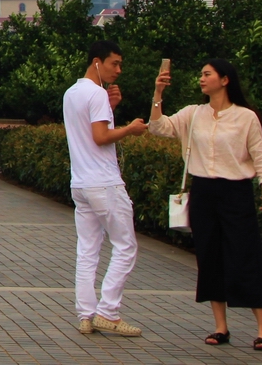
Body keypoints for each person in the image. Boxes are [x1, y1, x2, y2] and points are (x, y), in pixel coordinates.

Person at [149, 59, 262, 350]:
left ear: (225, 79)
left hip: (236, 193)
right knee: (210, 258)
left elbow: (260, 154)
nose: (202, 79)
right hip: (203, 192)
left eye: (207, 74)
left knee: (245, 257)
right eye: (201, 74)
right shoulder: (193, 114)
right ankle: (221, 327)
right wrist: (158, 94)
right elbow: (158, 127)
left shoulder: (245, 117)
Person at [66, 39, 150, 338]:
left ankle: (86, 315)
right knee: (125, 246)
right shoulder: (97, 93)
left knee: (87, 250)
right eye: (114, 63)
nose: (118, 70)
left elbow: (89, 131)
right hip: (104, 182)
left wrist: (111, 108)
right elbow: (101, 137)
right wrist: (130, 129)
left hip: (81, 183)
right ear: (97, 62)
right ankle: (108, 311)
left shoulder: (72, 92)